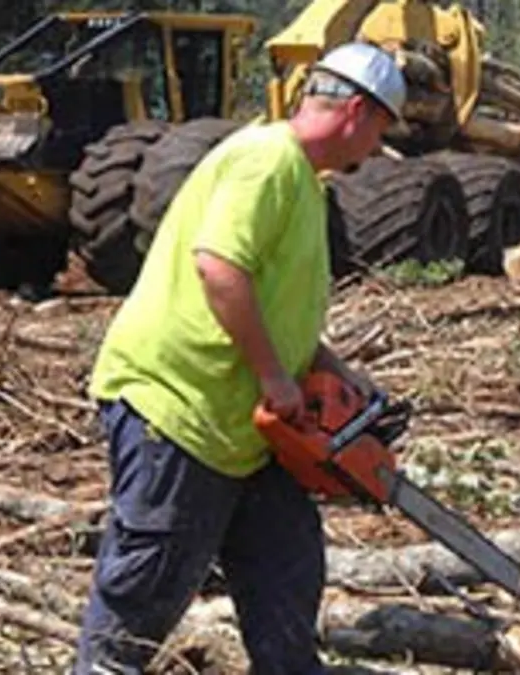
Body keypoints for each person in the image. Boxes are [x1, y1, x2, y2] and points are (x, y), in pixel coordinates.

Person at [73, 42, 407, 675]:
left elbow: (272, 303)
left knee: (287, 558)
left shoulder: (305, 182)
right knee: (145, 592)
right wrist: (276, 377)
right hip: (180, 408)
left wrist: (338, 375)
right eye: (381, 131)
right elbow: (220, 268)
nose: (377, 149)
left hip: (243, 429)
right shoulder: (267, 160)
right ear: (358, 112)